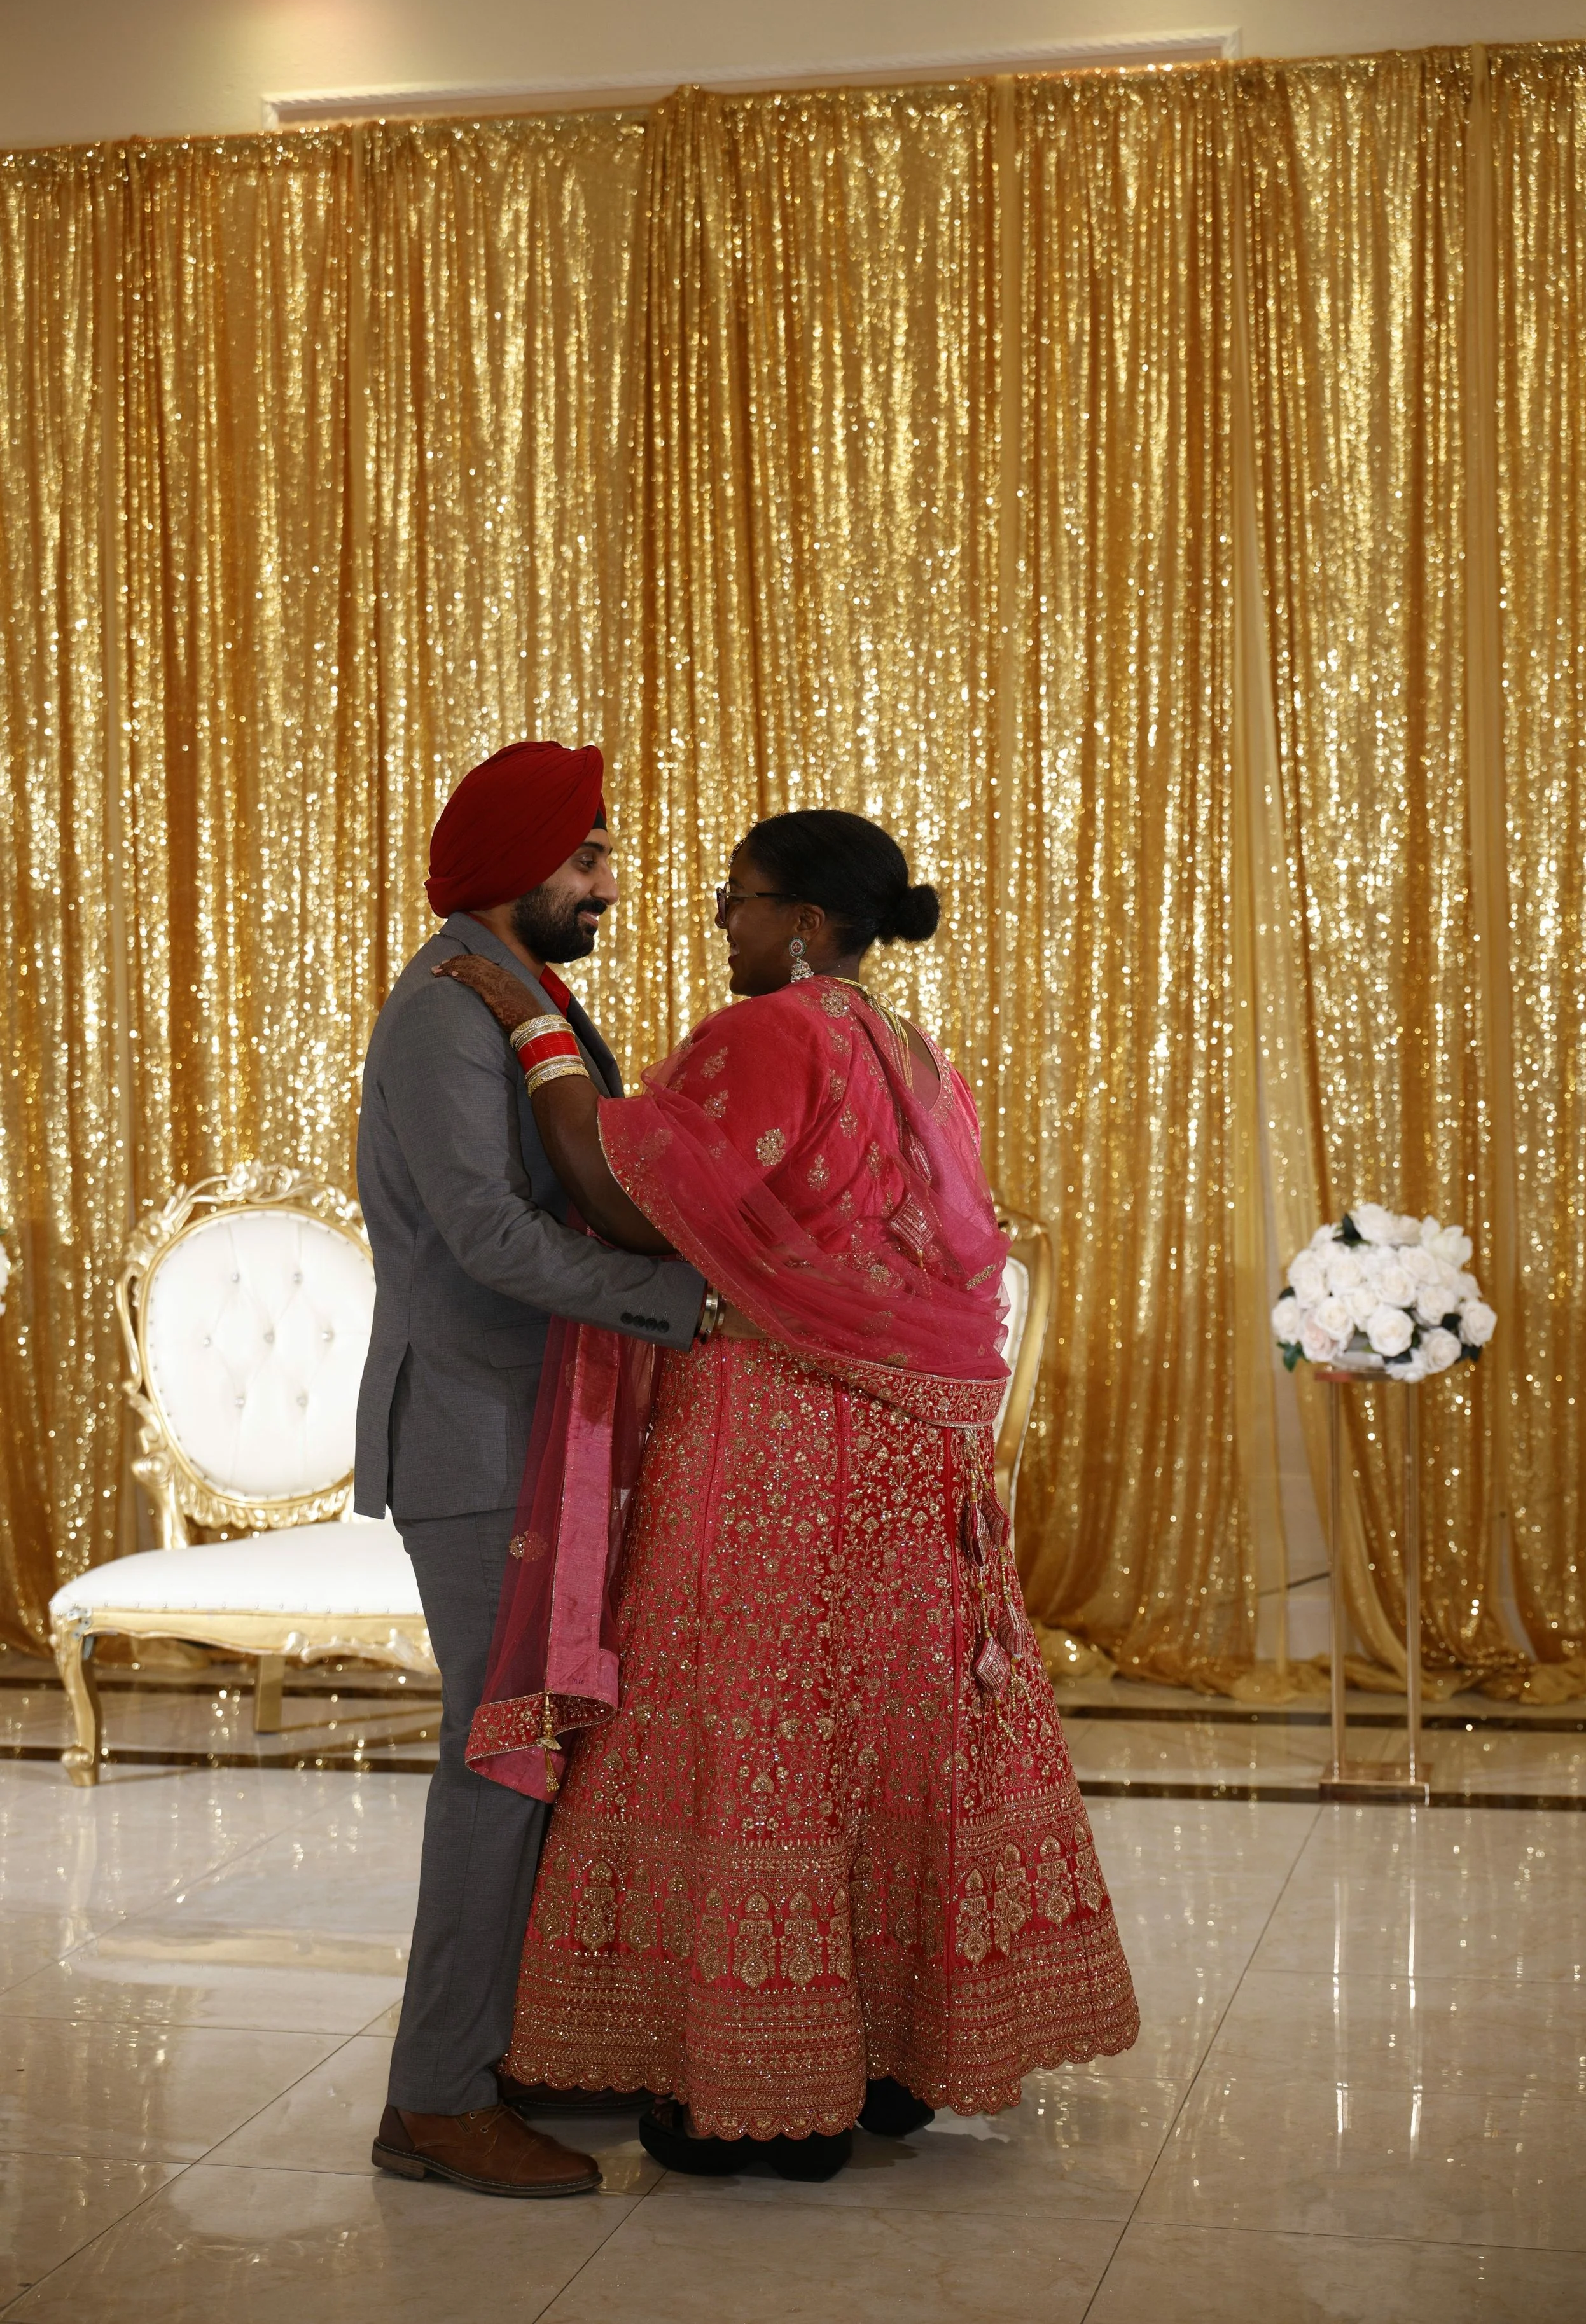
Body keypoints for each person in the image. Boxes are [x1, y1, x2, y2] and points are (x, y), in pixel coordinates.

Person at [438, 808, 1139, 2182]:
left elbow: (629, 1194)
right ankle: (881, 2064)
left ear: (807, 923)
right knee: (877, 1736)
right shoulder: (912, 1051)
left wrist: (532, 1034)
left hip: (779, 1433)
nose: (721, 922)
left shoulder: (773, 1031)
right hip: (908, 1450)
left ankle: (761, 2095)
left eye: (737, 899)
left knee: (751, 1729)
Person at [356, 739, 709, 2199]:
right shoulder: (450, 1010)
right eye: (586, 858)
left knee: (539, 1753)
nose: (608, 885)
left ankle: (516, 2055)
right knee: (497, 1760)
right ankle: (435, 2100)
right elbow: (490, 1237)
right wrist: (692, 1302)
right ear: (517, 865)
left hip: (540, 1421)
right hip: (478, 1434)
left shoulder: (525, 993)